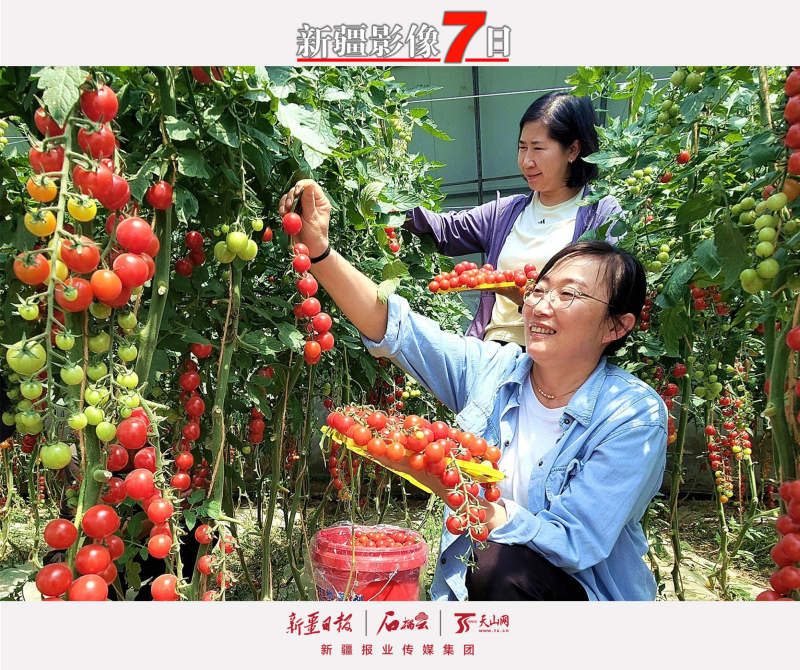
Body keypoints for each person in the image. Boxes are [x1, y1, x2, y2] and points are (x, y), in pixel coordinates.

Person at [279, 180, 667, 602]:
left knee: (494, 567)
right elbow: (399, 330)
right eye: (539, 289)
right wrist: (319, 252)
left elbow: (574, 542)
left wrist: (443, 482)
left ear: (616, 326)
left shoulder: (632, 415)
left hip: (581, 599)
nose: (540, 305)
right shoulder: (495, 370)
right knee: (486, 566)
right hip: (494, 593)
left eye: (568, 294)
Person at [404, 91, 623, 346]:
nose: (527, 161)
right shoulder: (506, 213)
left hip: (556, 355)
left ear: (573, 150)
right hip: (494, 348)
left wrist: (526, 299)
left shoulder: (601, 213)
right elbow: (445, 231)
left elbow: (605, 298)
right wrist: (391, 202)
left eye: (538, 148)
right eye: (522, 148)